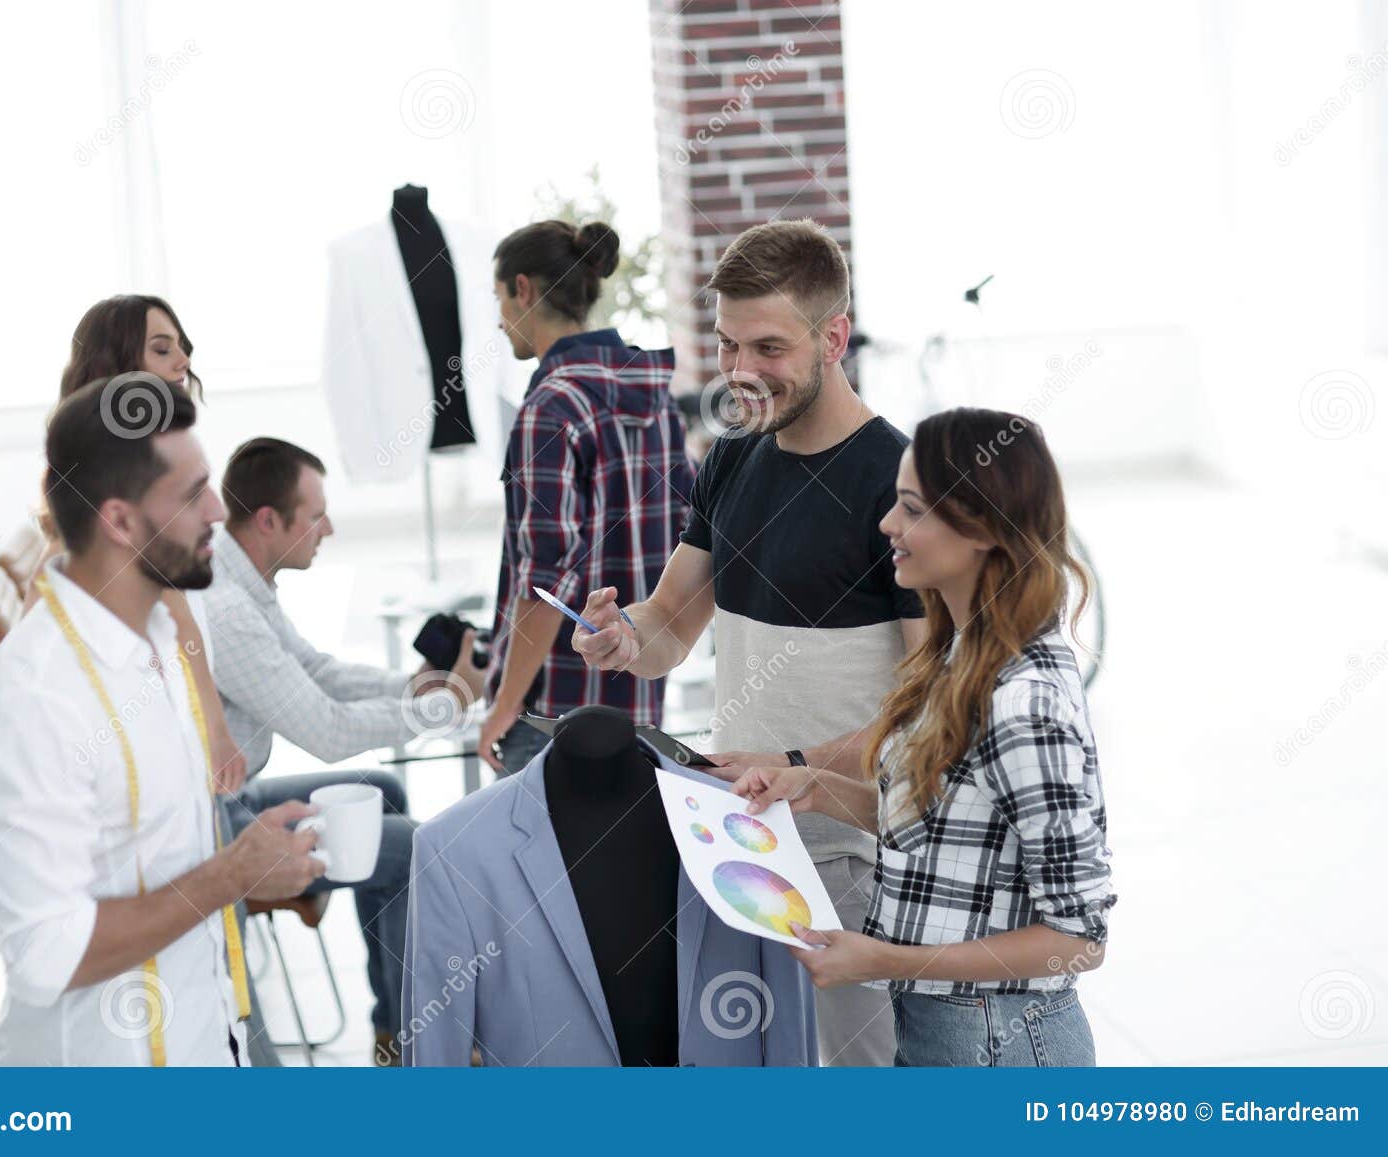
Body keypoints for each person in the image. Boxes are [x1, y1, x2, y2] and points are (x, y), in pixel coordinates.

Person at [572, 219, 924, 1066]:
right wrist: (622, 638)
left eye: (768, 346)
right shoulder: (732, 457)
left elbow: (931, 701)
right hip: (739, 835)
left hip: (848, 846)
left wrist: (801, 763)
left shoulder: (899, 482)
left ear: (833, 337)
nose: (741, 371)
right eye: (728, 345)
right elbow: (669, 626)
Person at [732, 407, 1116, 1067]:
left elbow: (1078, 937)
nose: (888, 524)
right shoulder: (963, 653)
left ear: (982, 529)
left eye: (911, 508)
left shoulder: (1027, 705)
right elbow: (953, 833)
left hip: (1002, 1042)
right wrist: (817, 789)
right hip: (945, 1029)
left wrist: (883, 959)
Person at [0, 377, 323, 1066]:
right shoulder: (33, 700)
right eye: (191, 494)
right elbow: (45, 954)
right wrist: (230, 876)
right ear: (121, 521)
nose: (219, 508)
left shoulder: (161, 634)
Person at [204, 436, 484, 1064]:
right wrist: (439, 709)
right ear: (270, 522)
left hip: (238, 793)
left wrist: (419, 690)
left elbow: (317, 671)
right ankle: (417, 1038)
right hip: (219, 823)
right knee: (409, 843)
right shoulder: (227, 611)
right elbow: (326, 730)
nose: (328, 527)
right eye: (316, 515)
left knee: (384, 794)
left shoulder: (241, 576)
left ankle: (392, 1025)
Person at [477, 219, 694, 774]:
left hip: (554, 716)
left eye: (499, 298)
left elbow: (546, 580)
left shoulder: (549, 408)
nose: (500, 321)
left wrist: (503, 708)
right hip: (637, 704)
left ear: (523, 289)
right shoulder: (654, 398)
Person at [23, 295, 247, 795]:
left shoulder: (115, 483)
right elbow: (182, 627)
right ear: (119, 366)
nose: (183, 361)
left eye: (182, 348)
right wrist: (216, 731)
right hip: (171, 776)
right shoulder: (117, 509)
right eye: (162, 350)